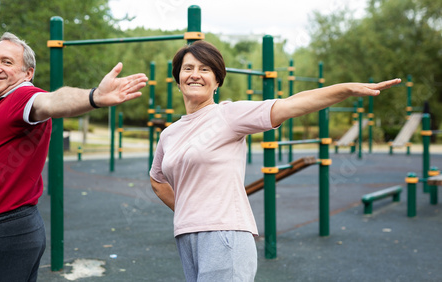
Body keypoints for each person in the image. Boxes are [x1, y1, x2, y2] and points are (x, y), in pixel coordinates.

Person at [149, 40, 401, 281]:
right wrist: (189, 212)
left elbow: (291, 105)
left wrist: (344, 89)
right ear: (178, 78)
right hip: (186, 236)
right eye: (188, 68)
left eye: (205, 69)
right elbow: (157, 180)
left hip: (225, 234)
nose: (195, 74)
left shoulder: (228, 115)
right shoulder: (170, 134)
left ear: (217, 81)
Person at [0, 32, 148, 281]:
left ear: (28, 73)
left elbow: (50, 102)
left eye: (6, 62)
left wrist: (94, 98)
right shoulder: (1, 105)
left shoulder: (22, 97)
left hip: (0, 233)